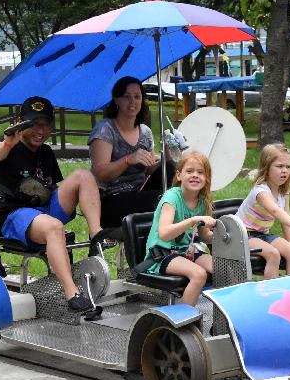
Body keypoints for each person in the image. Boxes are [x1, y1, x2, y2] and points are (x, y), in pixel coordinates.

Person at [0, 96, 104, 312]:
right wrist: (7, 142)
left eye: (45, 124)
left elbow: (53, 188)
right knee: (54, 227)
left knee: (83, 175)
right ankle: (72, 293)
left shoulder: (45, 152)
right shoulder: (8, 148)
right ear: (20, 122)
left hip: (44, 208)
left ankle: (96, 237)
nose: (40, 130)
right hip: (16, 214)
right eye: (33, 124)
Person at [88, 76, 175, 229]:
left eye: (137, 97)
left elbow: (148, 169)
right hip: (112, 200)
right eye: (127, 97)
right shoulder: (105, 130)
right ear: (116, 100)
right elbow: (99, 174)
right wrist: (128, 159)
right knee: (163, 200)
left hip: (140, 192)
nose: (132, 102)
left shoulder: (145, 132)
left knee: (171, 168)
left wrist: (166, 158)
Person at [142, 151, 215, 306]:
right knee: (199, 274)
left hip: (185, 252)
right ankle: (182, 319)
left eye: (200, 172)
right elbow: (164, 233)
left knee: (222, 268)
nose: (195, 175)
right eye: (189, 171)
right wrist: (193, 220)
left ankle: (221, 318)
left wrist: (228, 235)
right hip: (161, 254)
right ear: (179, 175)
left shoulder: (202, 202)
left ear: (207, 177)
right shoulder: (171, 197)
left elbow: (204, 236)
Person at [235, 143, 290, 278]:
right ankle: (270, 294)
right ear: (266, 168)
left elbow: (285, 217)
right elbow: (276, 211)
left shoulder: (284, 191)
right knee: (273, 254)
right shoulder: (260, 192)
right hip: (243, 235)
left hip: (263, 235)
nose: (285, 170)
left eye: (287, 167)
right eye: (279, 166)